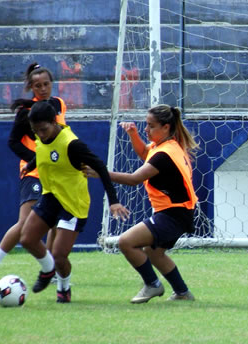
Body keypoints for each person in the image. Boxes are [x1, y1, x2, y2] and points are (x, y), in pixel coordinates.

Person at [85, 105, 199, 303]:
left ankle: (152, 285)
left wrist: (100, 173)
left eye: (150, 126)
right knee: (154, 252)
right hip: (179, 212)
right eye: (146, 125)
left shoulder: (164, 155)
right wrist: (133, 135)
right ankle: (182, 293)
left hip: (174, 214)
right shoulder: (166, 145)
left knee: (125, 242)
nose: (146, 129)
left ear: (165, 127)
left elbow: (133, 179)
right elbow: (145, 154)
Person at [19, 101, 129, 303]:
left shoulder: (72, 144)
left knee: (59, 255)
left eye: (43, 129)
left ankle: (64, 287)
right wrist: (31, 164)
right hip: (51, 196)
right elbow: (43, 150)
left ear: (54, 122)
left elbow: (100, 167)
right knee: (27, 239)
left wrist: (113, 201)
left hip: (72, 204)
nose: (40, 134)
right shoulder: (40, 136)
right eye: (36, 130)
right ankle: (48, 269)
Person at [0, 63, 67, 285]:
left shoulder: (58, 105)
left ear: (52, 84)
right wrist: (35, 158)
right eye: (37, 85)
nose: (42, 88)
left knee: (55, 222)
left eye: (46, 84)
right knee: (25, 223)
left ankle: (50, 271)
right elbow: (13, 142)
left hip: (57, 173)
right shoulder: (26, 112)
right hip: (35, 173)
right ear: (30, 86)